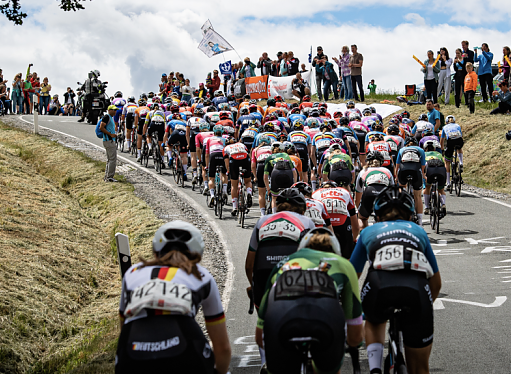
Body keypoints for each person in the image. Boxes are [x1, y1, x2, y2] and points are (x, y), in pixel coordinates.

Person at [116, 220, 231, 374]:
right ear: (196, 255)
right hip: (183, 345)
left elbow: (124, 324)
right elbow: (222, 348)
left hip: (132, 348)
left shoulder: (132, 273)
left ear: (155, 251)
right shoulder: (202, 276)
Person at [350, 186, 441, 374]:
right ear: (409, 215)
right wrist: (423, 307)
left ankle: (374, 368)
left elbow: (352, 274)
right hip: (416, 289)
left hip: (379, 286)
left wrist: (360, 312)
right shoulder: (418, 231)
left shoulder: (369, 231)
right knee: (420, 369)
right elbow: (436, 282)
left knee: (373, 319)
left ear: (378, 214)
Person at [256, 228, 363, 374]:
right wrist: (350, 343)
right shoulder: (343, 264)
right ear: (335, 251)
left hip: (281, 320)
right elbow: (355, 334)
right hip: (325, 321)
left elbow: (260, 336)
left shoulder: (283, 264)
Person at [395, 138, 427, 224]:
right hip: (416, 170)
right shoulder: (420, 150)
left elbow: (397, 165)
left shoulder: (402, 150)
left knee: (401, 191)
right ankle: (420, 222)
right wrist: (423, 175)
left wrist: (396, 177)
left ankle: (402, 211)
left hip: (403, 170)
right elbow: (423, 164)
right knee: (418, 197)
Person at [440, 115, 464, 184]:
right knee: (459, 148)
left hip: (450, 141)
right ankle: (461, 162)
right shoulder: (457, 125)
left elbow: (442, 140)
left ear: (446, 122)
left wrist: (442, 149)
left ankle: (448, 182)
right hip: (459, 140)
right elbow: (461, 136)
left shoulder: (444, 127)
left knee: (447, 161)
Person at [99, 105, 119, 182]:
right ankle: (109, 177)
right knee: (112, 159)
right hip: (109, 140)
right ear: (109, 110)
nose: (115, 112)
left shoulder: (110, 118)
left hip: (110, 140)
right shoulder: (107, 117)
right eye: (114, 110)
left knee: (110, 159)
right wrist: (110, 134)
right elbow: (101, 127)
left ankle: (107, 176)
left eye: (115, 110)